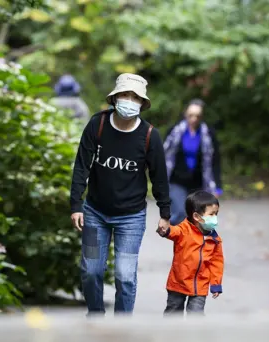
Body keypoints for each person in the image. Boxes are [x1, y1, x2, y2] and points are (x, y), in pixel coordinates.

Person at [70, 73, 171, 316]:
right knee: (91, 269)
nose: (129, 100)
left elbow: (159, 177)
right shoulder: (98, 124)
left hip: (131, 218)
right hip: (95, 213)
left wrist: (165, 213)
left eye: (135, 96)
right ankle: (95, 316)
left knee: (125, 276)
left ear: (142, 103)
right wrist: (76, 204)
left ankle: (121, 328)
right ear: (115, 98)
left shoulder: (149, 136)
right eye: (125, 94)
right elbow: (82, 165)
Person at [157, 190, 224, 316]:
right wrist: (165, 230)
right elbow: (173, 232)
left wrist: (216, 284)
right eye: (211, 214)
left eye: (216, 214)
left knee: (196, 316)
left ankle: (194, 336)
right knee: (173, 313)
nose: (215, 218)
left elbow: (217, 263)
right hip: (178, 282)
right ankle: (169, 335)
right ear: (197, 217)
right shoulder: (184, 230)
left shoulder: (214, 239)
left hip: (200, 285)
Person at [163, 99, 222, 225]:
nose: (194, 119)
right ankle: (177, 234)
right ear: (185, 114)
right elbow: (164, 155)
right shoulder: (175, 131)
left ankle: (192, 243)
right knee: (180, 213)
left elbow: (215, 161)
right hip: (176, 180)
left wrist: (217, 187)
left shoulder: (208, 134)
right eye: (191, 115)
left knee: (198, 217)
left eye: (197, 116)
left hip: (198, 182)